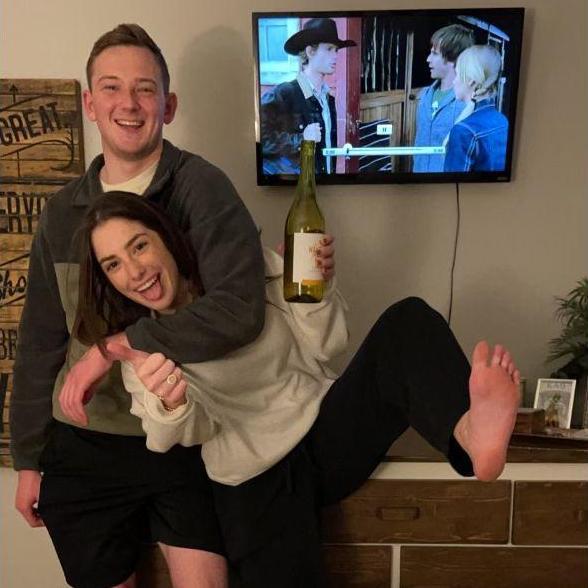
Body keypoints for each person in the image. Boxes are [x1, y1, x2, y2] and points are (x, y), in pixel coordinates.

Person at [71, 191, 521, 588]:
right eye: (114, 264)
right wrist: (173, 403)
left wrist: (316, 289)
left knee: (408, 319)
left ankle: (469, 433)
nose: (134, 271)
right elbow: (181, 435)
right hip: (254, 477)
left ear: (166, 237)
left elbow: (324, 346)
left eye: (139, 246)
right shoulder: (138, 349)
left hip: (323, 433)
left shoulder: (245, 277)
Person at [10, 23, 267, 588]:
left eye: (145, 89)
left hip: (188, 437)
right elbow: (40, 342)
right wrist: (27, 458)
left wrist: (114, 348)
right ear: (91, 104)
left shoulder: (202, 189)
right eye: (111, 87)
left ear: (167, 106)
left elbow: (241, 308)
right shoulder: (60, 213)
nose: (128, 103)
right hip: (84, 447)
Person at [260, 17, 356, 175]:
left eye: (336, 50)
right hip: (295, 187)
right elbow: (259, 138)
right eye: (329, 49)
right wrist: (301, 139)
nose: (335, 56)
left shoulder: (328, 99)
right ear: (310, 51)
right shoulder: (285, 93)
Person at [413, 24, 474, 172]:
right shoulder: (424, 96)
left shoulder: (468, 103)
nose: (428, 59)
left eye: (434, 54)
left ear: (453, 58)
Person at [443, 44, 509, 172]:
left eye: (457, 74)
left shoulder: (463, 131)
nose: (454, 81)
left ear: (471, 81)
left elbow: (452, 182)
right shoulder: (503, 121)